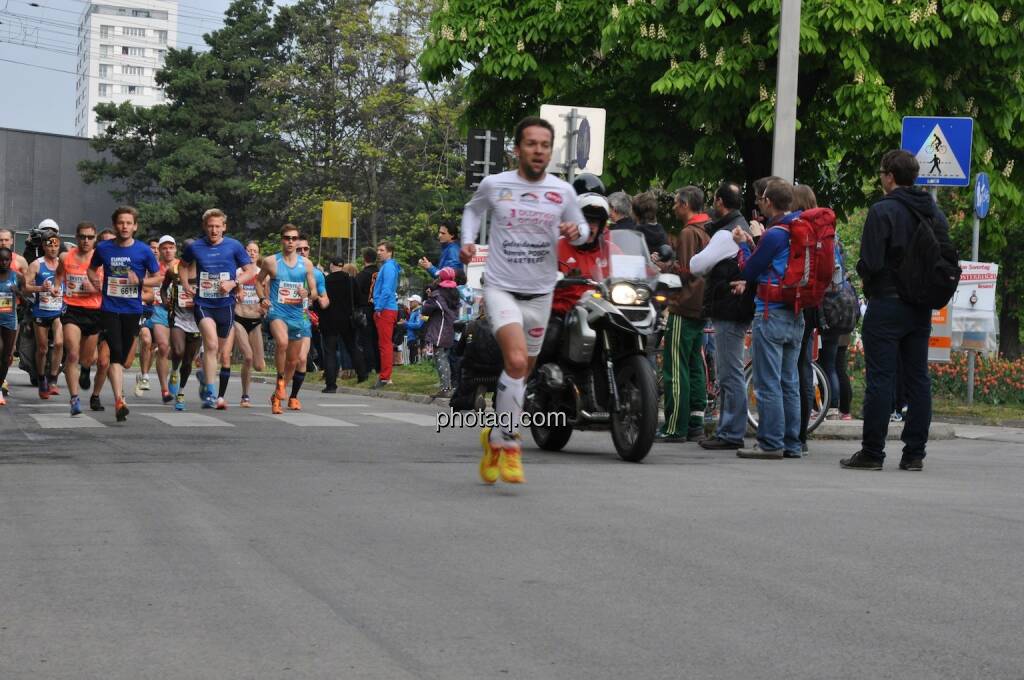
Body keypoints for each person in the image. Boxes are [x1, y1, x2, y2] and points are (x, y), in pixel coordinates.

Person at [460, 115, 589, 485]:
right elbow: (473, 210)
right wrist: (467, 242)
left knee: (523, 370)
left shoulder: (562, 191)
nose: (538, 151)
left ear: (550, 151)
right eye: (531, 144)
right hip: (501, 286)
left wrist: (574, 231)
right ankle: (511, 445)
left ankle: (493, 438)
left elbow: (581, 230)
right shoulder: (495, 184)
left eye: (545, 145)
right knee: (515, 361)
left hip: (542, 291)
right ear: (517, 149)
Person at [842, 149, 952, 471]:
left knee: (881, 378)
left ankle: (872, 453)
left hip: (886, 304)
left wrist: (865, 272)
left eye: (881, 173)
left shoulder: (883, 211)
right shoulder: (934, 213)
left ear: (889, 176)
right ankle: (914, 454)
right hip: (920, 307)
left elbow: (872, 262)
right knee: (918, 378)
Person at [730, 179, 805, 459]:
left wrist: (743, 245)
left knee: (768, 382)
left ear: (770, 202)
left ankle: (771, 443)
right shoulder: (797, 229)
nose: (759, 205)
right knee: (790, 382)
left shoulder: (775, 234)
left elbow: (749, 270)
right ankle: (792, 444)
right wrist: (754, 242)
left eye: (761, 200)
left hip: (770, 311)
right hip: (795, 314)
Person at [689, 182, 755, 450]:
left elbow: (697, 265)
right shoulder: (742, 226)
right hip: (740, 306)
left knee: (729, 373)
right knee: (731, 371)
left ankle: (730, 432)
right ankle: (728, 430)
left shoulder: (726, 233)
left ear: (719, 202)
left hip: (729, 308)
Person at [87, 206, 162, 422]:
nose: (124, 226)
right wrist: (97, 283)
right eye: (121, 222)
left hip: (133, 310)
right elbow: (92, 269)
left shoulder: (144, 251)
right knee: (116, 353)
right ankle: (120, 399)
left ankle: (120, 397)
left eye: (129, 223)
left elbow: (157, 278)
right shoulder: (103, 248)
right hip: (110, 308)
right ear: (114, 225)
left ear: (135, 226)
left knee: (126, 360)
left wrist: (139, 281)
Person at [179, 208, 256, 410]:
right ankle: (211, 394)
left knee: (221, 351)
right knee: (211, 345)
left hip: (226, 304)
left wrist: (233, 283)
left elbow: (250, 270)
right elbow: (182, 265)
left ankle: (205, 371)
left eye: (217, 226)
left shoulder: (234, 246)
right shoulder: (196, 246)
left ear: (224, 227)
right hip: (204, 304)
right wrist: (186, 285)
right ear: (205, 227)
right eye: (210, 226)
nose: (214, 230)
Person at [654, 186, 710, 442]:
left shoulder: (689, 233)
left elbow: (687, 271)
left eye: (677, 203)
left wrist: (667, 267)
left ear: (686, 204)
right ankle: (696, 421)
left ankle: (675, 425)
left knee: (676, 367)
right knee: (695, 365)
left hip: (685, 304)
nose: (674, 207)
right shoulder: (707, 230)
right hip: (702, 307)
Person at [257, 224, 324, 414]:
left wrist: (307, 293)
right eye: (287, 238)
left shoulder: (306, 264)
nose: (291, 242)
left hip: (297, 315)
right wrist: (263, 299)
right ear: (282, 240)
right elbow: (258, 281)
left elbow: (314, 292)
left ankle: (277, 397)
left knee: (293, 361)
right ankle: (279, 381)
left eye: (294, 238)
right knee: (282, 342)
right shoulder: (271, 262)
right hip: (278, 312)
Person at [54, 221, 104, 416]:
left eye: (90, 237)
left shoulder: (101, 259)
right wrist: (57, 287)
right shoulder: (66, 257)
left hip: (94, 311)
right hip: (73, 310)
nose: (86, 240)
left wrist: (88, 289)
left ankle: (85, 369)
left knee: (87, 358)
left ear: (95, 239)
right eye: (82, 237)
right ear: (76, 238)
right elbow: (59, 275)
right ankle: (74, 399)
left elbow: (106, 286)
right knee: (72, 354)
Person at [24, 229, 65, 399]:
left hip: (57, 311)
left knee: (59, 343)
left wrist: (61, 293)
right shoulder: (36, 264)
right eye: (50, 245)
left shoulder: (63, 264)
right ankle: (41, 379)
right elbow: (25, 287)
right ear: (44, 247)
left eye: (56, 245)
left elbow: (68, 284)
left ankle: (53, 379)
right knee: (41, 349)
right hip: (40, 312)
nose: (53, 248)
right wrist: (40, 288)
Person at [163, 246, 201, 411]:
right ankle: (173, 370)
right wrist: (166, 303)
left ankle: (181, 392)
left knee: (188, 360)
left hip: (197, 321)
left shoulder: (203, 271)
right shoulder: (174, 270)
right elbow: (163, 289)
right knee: (178, 351)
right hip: (178, 318)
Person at [320, 256, 367, 391]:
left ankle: (331, 384)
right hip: (348, 320)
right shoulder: (350, 280)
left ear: (331, 266)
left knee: (330, 352)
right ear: (342, 266)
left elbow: (320, 302)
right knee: (353, 347)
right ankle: (362, 375)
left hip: (329, 320)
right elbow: (359, 300)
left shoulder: (325, 281)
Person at [233, 240, 266, 407]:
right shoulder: (238, 271)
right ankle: (245, 396)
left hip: (255, 320)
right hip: (239, 317)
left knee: (259, 365)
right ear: (244, 253)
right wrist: (237, 289)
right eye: (249, 250)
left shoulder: (262, 273)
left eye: (255, 251)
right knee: (247, 357)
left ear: (258, 254)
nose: (252, 253)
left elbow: (267, 296)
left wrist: (265, 307)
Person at [421, 268, 459, 399]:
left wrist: (428, 296)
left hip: (439, 330)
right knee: (445, 358)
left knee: (440, 359)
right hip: (450, 330)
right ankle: (447, 386)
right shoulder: (454, 294)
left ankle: (445, 388)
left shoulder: (437, 296)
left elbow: (425, 310)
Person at [371, 241, 401, 389]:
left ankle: (385, 377)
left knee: (385, 344)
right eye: (378, 249)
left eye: (381, 250)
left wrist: (378, 307)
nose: (378, 252)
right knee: (384, 344)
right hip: (386, 308)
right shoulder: (389, 266)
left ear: (389, 252)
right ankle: (385, 375)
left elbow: (387, 289)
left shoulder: (388, 267)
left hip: (385, 309)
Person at [0, 247, 24, 406]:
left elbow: (25, 296)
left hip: (10, 320)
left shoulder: (17, 277)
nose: (3, 262)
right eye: (1, 259)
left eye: (6, 259)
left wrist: (18, 292)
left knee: (6, 357)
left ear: (11, 260)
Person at [354, 247, 379, 374]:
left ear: (364, 259)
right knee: (378, 338)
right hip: (379, 308)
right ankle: (379, 365)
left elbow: (355, 293)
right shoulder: (380, 273)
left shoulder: (362, 275)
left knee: (366, 339)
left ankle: (369, 366)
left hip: (365, 309)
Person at [405, 294, 424, 365]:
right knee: (412, 359)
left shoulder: (420, 311)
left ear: (417, 302)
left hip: (416, 337)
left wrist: (406, 323)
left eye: (412, 301)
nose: (410, 303)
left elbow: (418, 325)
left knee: (414, 360)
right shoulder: (413, 311)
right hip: (411, 338)